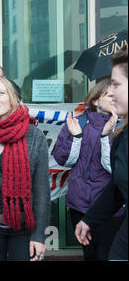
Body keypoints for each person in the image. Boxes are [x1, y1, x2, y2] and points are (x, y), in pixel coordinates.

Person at [0, 75, 50, 261]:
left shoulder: (34, 136)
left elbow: (41, 191)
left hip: (23, 226)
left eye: (0, 93)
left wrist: (39, 235)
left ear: (13, 98)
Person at [52, 78, 124, 261]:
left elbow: (115, 169)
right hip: (79, 204)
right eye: (109, 95)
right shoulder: (78, 122)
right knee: (90, 255)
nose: (115, 98)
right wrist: (76, 137)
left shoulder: (122, 128)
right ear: (95, 101)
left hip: (110, 208)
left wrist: (105, 136)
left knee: (107, 254)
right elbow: (64, 160)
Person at [75, 46, 128, 261]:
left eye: (116, 84)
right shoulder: (122, 136)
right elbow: (117, 186)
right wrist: (89, 219)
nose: (111, 93)